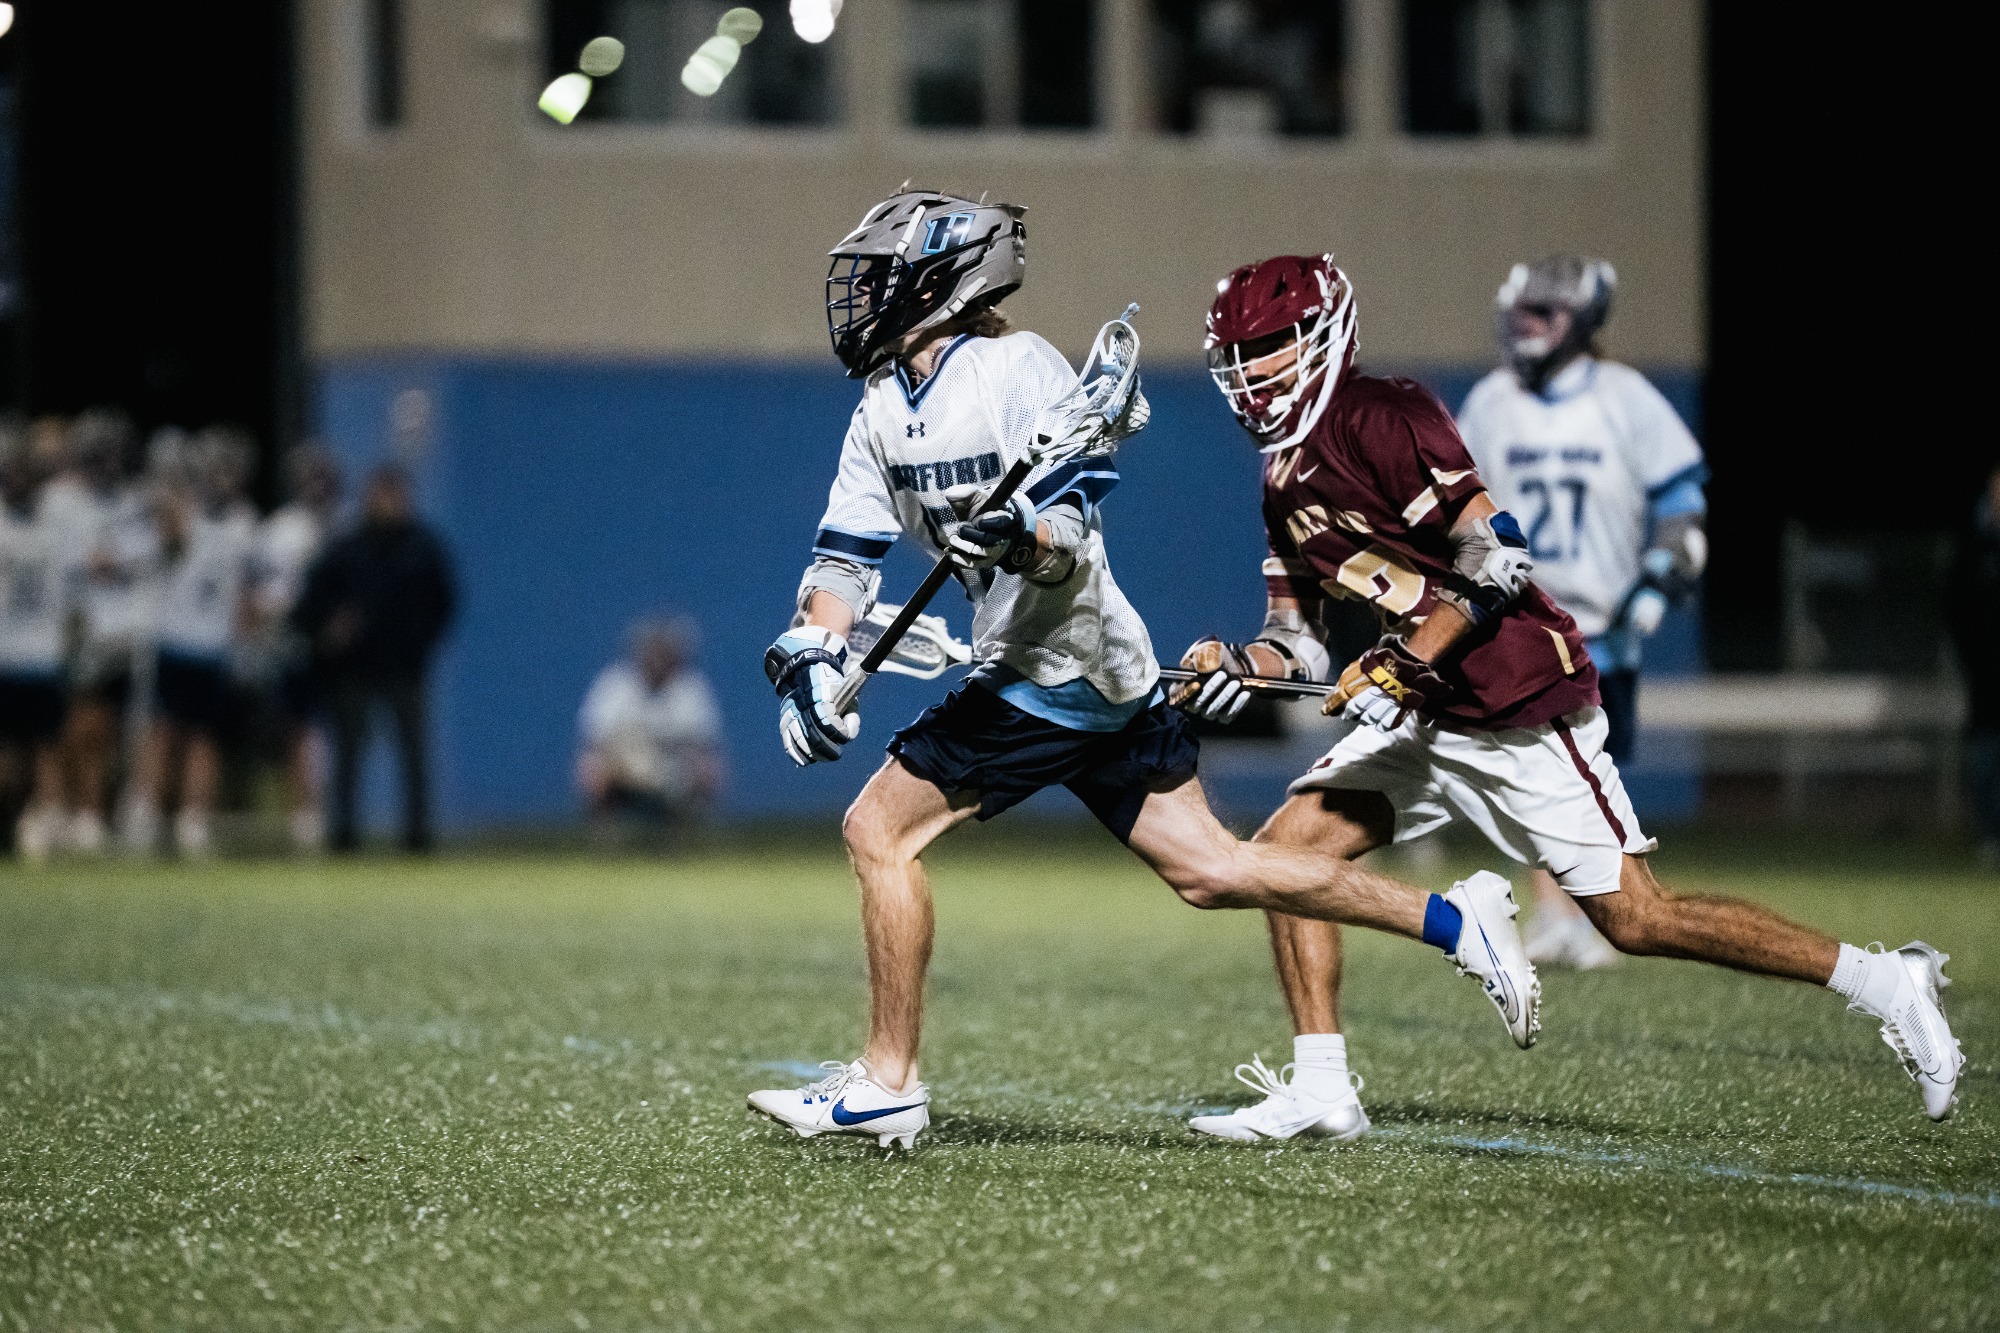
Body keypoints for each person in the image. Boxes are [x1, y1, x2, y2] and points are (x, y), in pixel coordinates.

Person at [746, 189, 1541, 1153]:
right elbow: (842, 564)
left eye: (883, 278)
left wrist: (1024, 534)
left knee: (878, 830)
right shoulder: (880, 412)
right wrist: (820, 656)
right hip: (1091, 668)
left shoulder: (1014, 367)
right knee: (1214, 868)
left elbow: (1071, 522)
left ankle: (888, 1081)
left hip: (1056, 661)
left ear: (942, 282)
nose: (865, 298)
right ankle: (1459, 922)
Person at [1174, 253, 1965, 1140]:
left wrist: (1408, 660)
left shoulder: (1385, 413)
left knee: (1636, 918)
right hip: (1431, 711)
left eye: (1272, 345)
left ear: (1323, 337)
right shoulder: (1281, 476)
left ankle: (1887, 980)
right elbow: (1299, 635)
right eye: (1238, 354)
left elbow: (1498, 558)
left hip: (1517, 702)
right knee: (1285, 857)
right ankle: (1323, 1086)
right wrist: (1244, 664)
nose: (1254, 372)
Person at [1455, 256, 1709, 968]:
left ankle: (1597, 912)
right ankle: (1554, 912)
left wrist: (1663, 577)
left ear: (1581, 320)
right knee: (1537, 772)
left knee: (1598, 776)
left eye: (1543, 313)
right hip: (1518, 616)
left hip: (1605, 621)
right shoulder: (1491, 400)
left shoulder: (1625, 397)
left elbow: (1682, 504)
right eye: (1520, 313)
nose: (1525, 327)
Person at [292, 463, 455, 853]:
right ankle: (344, 837)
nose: (388, 503)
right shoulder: (347, 547)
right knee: (349, 754)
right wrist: (327, 632)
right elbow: (309, 604)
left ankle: (417, 840)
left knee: (413, 755)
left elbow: (445, 603)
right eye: (381, 494)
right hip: (355, 669)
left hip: (404, 669)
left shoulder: (423, 547)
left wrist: (420, 644)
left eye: (395, 495)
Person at [125, 428, 260, 858]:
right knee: (163, 732)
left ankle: (193, 817)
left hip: (214, 645)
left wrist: (248, 619)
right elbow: (163, 543)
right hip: (175, 638)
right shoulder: (184, 511)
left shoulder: (244, 521)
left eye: (229, 471)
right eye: (216, 470)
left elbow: (249, 586)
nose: (222, 479)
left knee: (204, 738)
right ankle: (146, 810)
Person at [42, 410, 149, 855]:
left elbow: (144, 559)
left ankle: (90, 812)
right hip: (71, 627)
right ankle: (58, 808)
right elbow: (52, 561)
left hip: (120, 630)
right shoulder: (58, 502)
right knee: (70, 727)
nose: (108, 464)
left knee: (109, 731)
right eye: (99, 455)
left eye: (113, 455)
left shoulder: (132, 503)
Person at [255, 446, 343, 852]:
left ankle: (340, 813)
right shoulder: (282, 529)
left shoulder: (347, 523)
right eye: (311, 478)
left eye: (324, 477)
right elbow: (266, 592)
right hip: (295, 640)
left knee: (342, 731)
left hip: (342, 646)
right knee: (301, 728)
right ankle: (305, 814)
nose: (318, 487)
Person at [0, 420, 77, 863]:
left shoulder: (59, 514)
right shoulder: (58, 516)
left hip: (38, 654)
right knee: (18, 752)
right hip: (16, 653)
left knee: (41, 748)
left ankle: (42, 822)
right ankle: (25, 822)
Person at [576, 616, 722, 834]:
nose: (657, 658)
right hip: (626, 773)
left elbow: (704, 749)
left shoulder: (690, 689)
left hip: (672, 776)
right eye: (652, 650)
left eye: (664, 651)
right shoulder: (615, 685)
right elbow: (595, 744)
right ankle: (606, 842)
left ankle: (686, 842)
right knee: (593, 769)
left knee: (707, 770)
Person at [1947, 464, 2000, 866]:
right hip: (1985, 680)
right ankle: (1988, 836)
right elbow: (1956, 609)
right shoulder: (1974, 549)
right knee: (1985, 759)